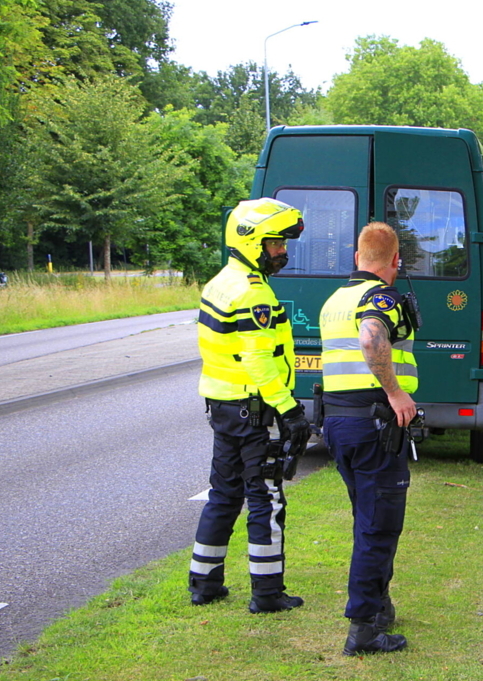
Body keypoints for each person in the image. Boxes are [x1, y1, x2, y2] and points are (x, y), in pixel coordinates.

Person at [188, 198, 311, 614]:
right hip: (253, 408)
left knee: (223, 494)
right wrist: (289, 410)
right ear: (253, 241)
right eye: (275, 243)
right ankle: (268, 593)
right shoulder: (252, 293)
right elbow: (257, 360)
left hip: (224, 406)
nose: (283, 251)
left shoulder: (220, 282)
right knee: (266, 496)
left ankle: (204, 583)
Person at [319, 222, 418, 655]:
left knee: (367, 519)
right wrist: (395, 391)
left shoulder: (334, 299)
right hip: (374, 423)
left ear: (356, 256)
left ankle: (378, 604)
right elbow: (372, 334)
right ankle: (364, 629)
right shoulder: (380, 297)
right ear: (395, 261)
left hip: (340, 424)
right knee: (378, 528)